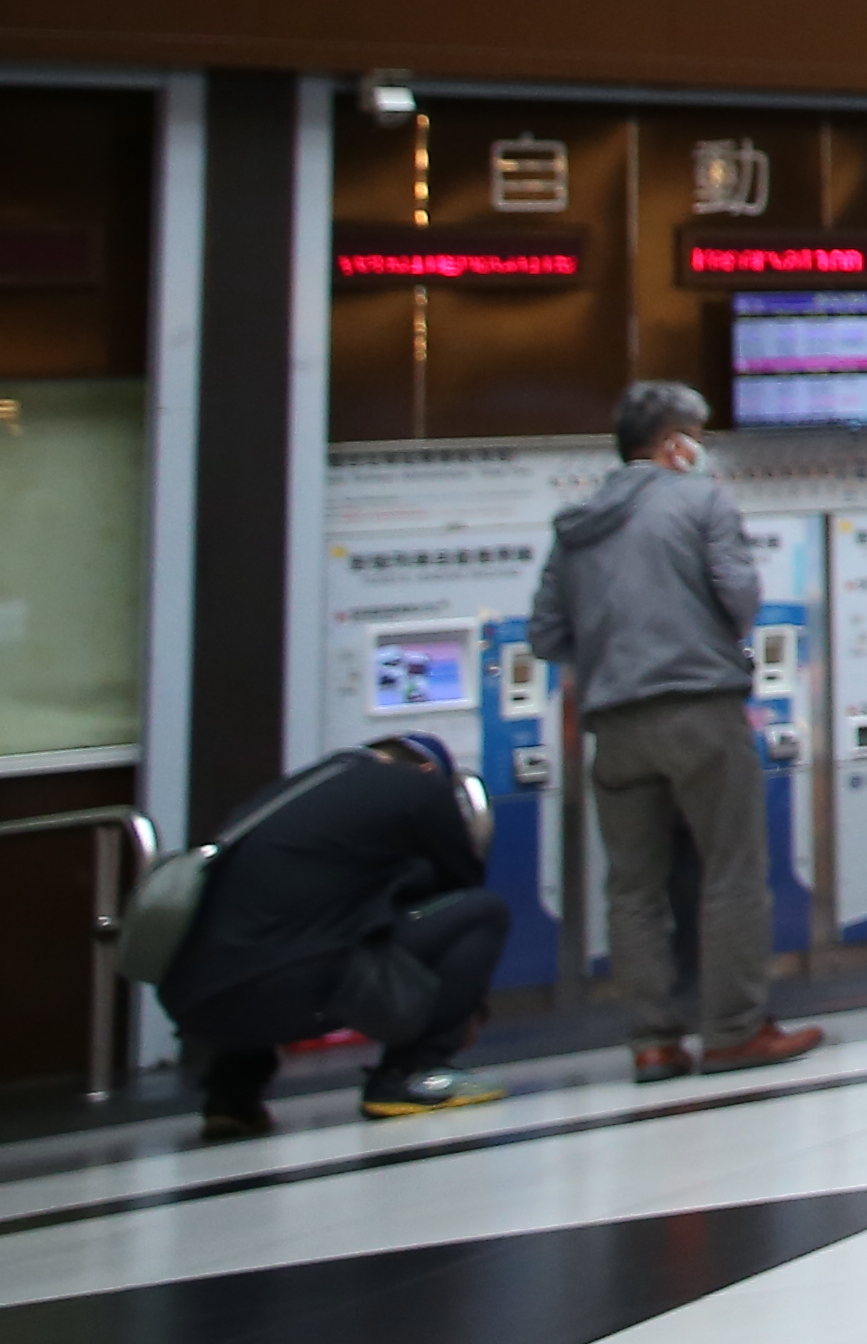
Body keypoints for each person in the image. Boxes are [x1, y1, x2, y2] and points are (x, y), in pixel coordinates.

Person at [527, 381, 820, 1084]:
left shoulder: (575, 525)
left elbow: (544, 634)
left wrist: (610, 655)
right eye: (697, 435)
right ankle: (733, 1030)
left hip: (614, 724)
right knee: (730, 871)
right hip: (699, 708)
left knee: (631, 887)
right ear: (672, 444)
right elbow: (740, 595)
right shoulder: (700, 501)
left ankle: (653, 1042)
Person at [158, 736, 506, 1138]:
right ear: (431, 770)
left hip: (198, 1005)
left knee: (267, 937)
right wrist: (462, 1005)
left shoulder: (291, 793)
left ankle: (231, 1098)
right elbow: (458, 885)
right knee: (482, 912)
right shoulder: (422, 787)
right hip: (295, 988)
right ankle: (410, 1073)